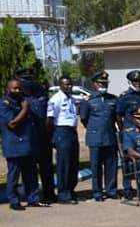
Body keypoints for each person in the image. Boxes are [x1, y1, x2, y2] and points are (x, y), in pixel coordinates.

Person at [0, 77, 44, 210]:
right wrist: (25, 110)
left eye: (20, 88)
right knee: (14, 175)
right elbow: (12, 124)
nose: (18, 90)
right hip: (14, 145)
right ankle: (14, 201)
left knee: (31, 174)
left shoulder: (24, 101)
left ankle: (33, 199)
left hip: (28, 144)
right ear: (8, 89)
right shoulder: (5, 103)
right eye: (15, 88)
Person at [80, 71, 120, 201]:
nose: (103, 85)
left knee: (111, 165)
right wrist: (94, 130)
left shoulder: (113, 99)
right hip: (95, 138)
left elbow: (116, 117)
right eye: (101, 83)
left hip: (110, 137)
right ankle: (97, 192)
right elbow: (84, 119)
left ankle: (111, 190)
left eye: (105, 83)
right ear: (95, 84)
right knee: (96, 167)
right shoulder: (88, 100)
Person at [18, 68, 55, 202]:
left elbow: (49, 113)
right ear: (19, 80)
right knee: (29, 169)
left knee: (47, 167)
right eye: (25, 79)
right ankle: (32, 196)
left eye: (30, 79)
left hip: (43, 136)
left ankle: (49, 195)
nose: (28, 82)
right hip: (27, 138)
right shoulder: (17, 95)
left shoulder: (40, 91)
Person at [116, 69, 140, 199]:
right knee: (128, 160)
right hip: (129, 131)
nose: (138, 83)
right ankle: (127, 188)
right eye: (135, 81)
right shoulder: (125, 96)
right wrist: (122, 130)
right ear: (130, 81)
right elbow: (118, 114)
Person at [46, 75, 80, 204]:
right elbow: (49, 120)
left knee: (73, 162)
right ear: (60, 85)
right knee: (64, 164)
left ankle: (71, 190)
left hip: (72, 131)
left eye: (70, 84)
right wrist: (52, 137)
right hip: (61, 131)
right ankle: (63, 193)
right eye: (66, 84)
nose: (69, 86)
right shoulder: (56, 99)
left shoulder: (71, 98)